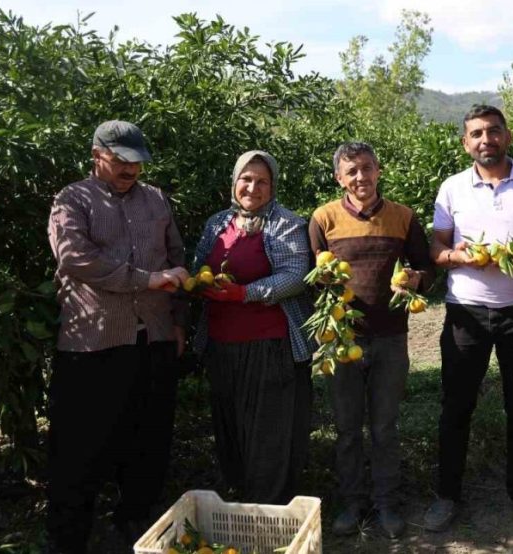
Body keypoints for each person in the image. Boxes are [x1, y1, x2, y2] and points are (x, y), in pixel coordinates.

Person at [422, 104, 513, 532]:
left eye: (493, 131)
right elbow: (437, 248)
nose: (485, 140)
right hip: (466, 313)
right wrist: (459, 257)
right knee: (456, 406)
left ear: (507, 135)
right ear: (465, 142)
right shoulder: (452, 188)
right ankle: (446, 495)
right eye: (476, 134)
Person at [46, 120, 189, 552]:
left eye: (137, 163)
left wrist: (178, 321)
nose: (130, 170)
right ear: (97, 156)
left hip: (154, 340)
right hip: (94, 344)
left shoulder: (157, 201)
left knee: (148, 442)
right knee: (80, 449)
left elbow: (177, 258)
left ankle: (136, 527)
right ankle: (69, 540)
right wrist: (146, 280)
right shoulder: (72, 200)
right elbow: (75, 259)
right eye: (120, 161)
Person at [307, 141, 435, 539]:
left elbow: (426, 269)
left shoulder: (403, 217)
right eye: (351, 171)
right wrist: (323, 283)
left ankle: (387, 503)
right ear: (338, 178)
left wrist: (416, 280)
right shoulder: (323, 219)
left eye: (367, 168)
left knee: (385, 426)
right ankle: (352, 502)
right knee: (347, 429)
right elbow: (311, 279)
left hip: (390, 338)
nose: (360, 177)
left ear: (378, 170)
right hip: (342, 340)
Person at [191, 150, 314, 505]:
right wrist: (200, 282)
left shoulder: (286, 223)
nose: (253, 187)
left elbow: (294, 278)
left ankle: (269, 510)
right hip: (220, 345)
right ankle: (238, 502)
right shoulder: (217, 223)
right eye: (246, 179)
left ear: (273, 186)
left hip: (268, 346)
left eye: (262, 181)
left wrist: (243, 293)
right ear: (234, 182)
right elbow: (199, 265)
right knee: (230, 428)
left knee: (268, 433)